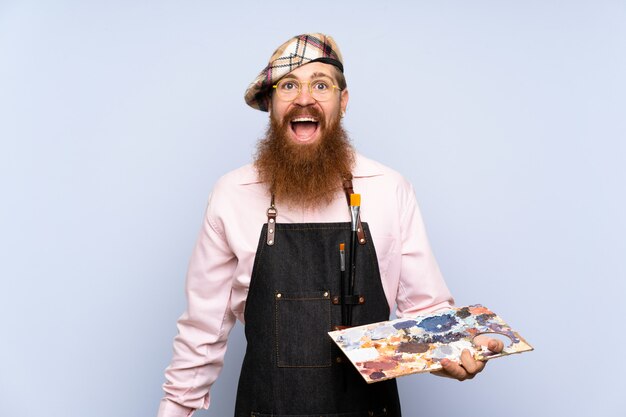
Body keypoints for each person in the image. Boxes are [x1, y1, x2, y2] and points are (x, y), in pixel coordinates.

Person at [157, 33, 503, 417]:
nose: (305, 98)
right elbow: (202, 331)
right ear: (270, 103)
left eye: (321, 84)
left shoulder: (390, 189)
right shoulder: (232, 193)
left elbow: (426, 310)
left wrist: (456, 352)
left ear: (343, 101)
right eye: (289, 85)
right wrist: (174, 409)